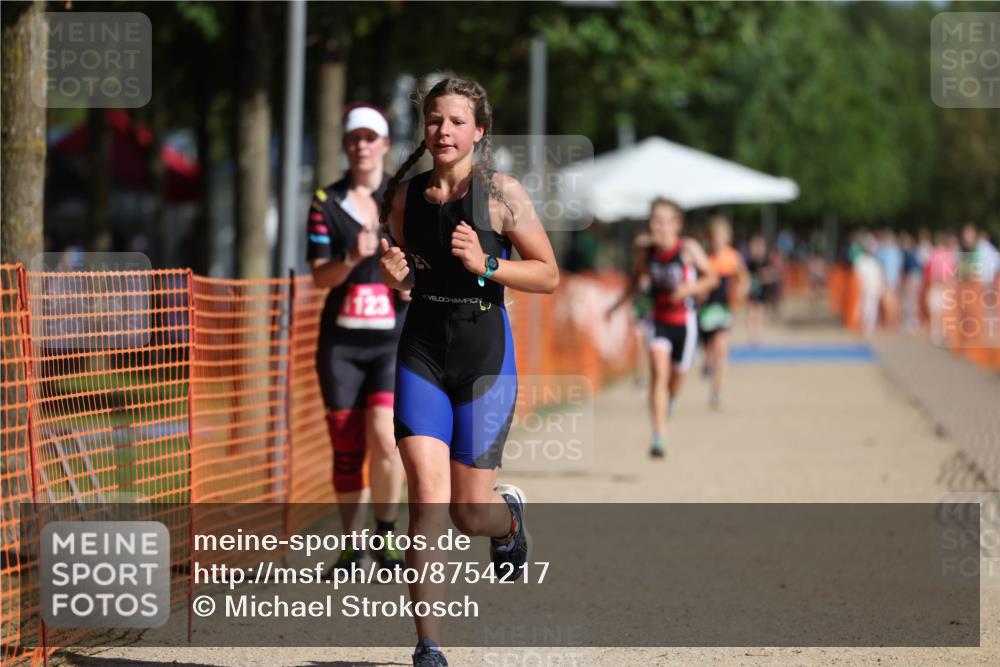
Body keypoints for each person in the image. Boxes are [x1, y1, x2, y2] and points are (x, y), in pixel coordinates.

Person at [378, 73, 559, 667]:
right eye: (435, 120)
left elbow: (547, 274)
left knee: (465, 513)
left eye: (457, 121)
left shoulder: (501, 193)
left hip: (485, 361)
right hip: (423, 353)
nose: (444, 130)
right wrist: (399, 279)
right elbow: (414, 280)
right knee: (426, 500)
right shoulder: (404, 197)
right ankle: (428, 646)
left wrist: (487, 264)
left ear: (479, 131)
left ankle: (506, 522)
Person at [307, 103, 407, 573]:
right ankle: (351, 545)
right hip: (341, 345)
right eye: (354, 139)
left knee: (385, 440)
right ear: (346, 146)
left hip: (392, 341)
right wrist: (350, 258)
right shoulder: (327, 201)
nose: (362, 146)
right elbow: (320, 277)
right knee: (346, 446)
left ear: (385, 145)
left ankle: (386, 536)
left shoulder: (404, 198)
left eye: (371, 138)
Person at [607, 198, 717, 458]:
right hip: (658, 320)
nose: (659, 227)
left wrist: (690, 289)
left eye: (664, 221)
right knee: (658, 373)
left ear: (676, 225)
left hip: (684, 323)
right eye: (654, 221)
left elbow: (711, 277)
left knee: (677, 378)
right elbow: (638, 279)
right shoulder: (646, 252)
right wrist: (617, 306)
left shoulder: (688, 249)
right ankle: (659, 438)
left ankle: (671, 401)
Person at [699, 215, 749, 410]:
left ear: (728, 237)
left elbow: (744, 276)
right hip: (706, 309)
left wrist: (741, 290)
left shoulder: (733, 257)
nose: (717, 240)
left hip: (724, 307)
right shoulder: (704, 257)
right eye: (714, 236)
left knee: (721, 346)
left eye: (721, 235)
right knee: (708, 345)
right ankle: (707, 361)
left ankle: (717, 390)